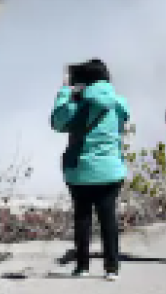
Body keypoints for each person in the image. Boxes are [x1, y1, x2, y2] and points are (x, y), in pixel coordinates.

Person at [51, 59, 130, 280]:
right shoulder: (118, 103)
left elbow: (57, 122)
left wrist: (65, 93)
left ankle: (82, 266)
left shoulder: (77, 105)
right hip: (110, 170)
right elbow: (125, 119)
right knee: (108, 218)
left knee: (82, 217)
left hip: (81, 170)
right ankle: (112, 268)